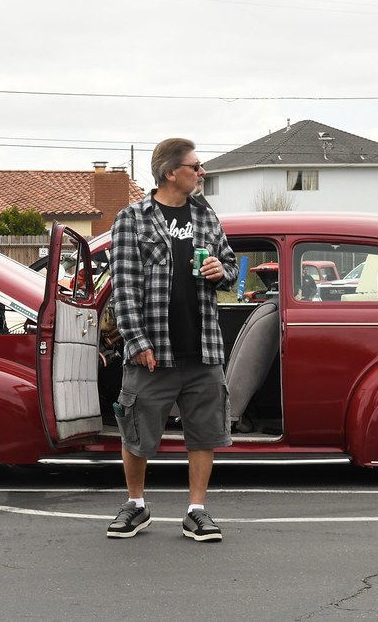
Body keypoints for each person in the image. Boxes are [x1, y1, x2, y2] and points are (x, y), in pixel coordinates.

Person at [106, 137, 238, 542]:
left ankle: (196, 511)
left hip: (203, 348)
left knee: (204, 434)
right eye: (195, 166)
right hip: (152, 351)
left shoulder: (206, 215)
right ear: (170, 173)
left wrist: (221, 271)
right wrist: (137, 342)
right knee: (137, 433)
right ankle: (136, 505)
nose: (202, 172)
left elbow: (231, 267)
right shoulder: (132, 219)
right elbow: (124, 288)